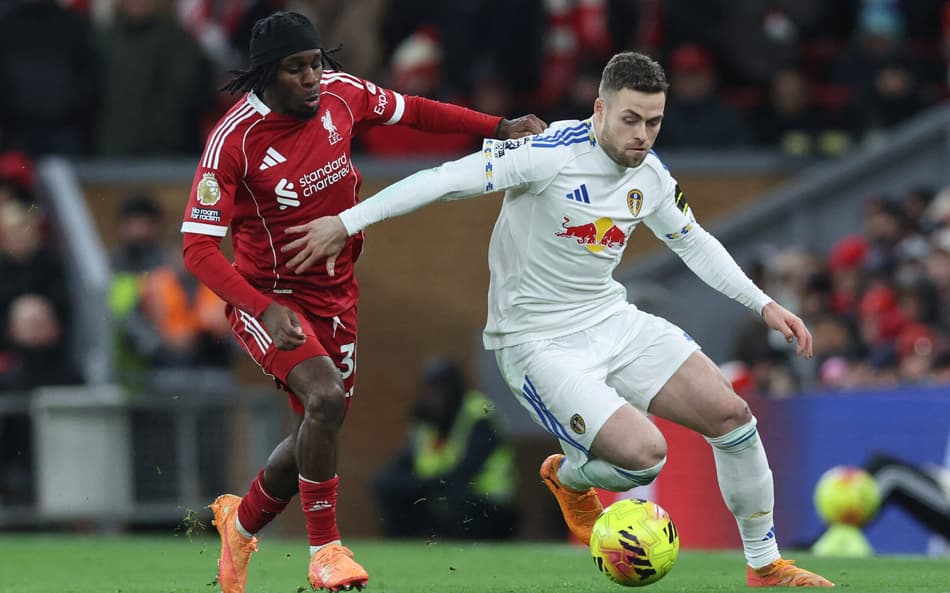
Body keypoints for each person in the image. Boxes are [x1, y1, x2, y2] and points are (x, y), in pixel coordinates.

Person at [286, 51, 835, 587]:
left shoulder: (653, 175)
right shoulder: (547, 155)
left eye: (654, 121)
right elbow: (442, 180)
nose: (642, 135)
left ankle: (765, 568)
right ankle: (570, 477)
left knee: (733, 416)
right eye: (630, 120)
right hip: (536, 343)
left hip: (610, 318)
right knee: (645, 458)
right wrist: (347, 220)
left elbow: (694, 244)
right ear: (599, 110)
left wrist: (763, 303)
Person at [178, 11, 545, 593]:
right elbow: (197, 248)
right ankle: (326, 551)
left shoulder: (342, 96)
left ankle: (240, 524)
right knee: (322, 398)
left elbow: (416, 110)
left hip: (336, 293)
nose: (312, 77)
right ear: (267, 76)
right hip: (269, 298)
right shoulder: (235, 140)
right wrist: (263, 307)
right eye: (296, 68)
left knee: (316, 429)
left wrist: (498, 126)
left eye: (316, 63)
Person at [371, 357, 517, 540]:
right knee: (389, 488)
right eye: (428, 389)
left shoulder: (479, 416)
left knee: (456, 499)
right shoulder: (426, 421)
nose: (431, 397)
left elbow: (465, 472)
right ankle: (405, 549)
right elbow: (401, 464)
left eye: (438, 390)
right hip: (440, 494)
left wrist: (420, 485)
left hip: (487, 503)